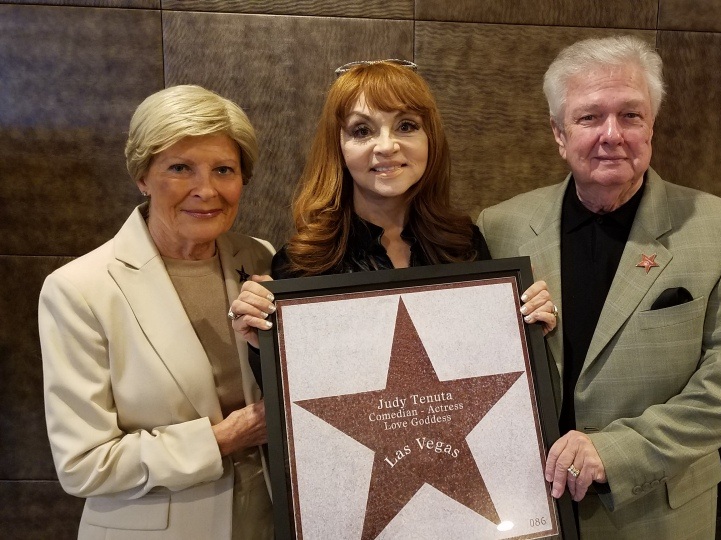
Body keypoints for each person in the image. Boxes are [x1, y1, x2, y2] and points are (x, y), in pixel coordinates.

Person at [477, 36, 721, 538]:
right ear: (558, 132)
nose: (611, 134)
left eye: (630, 115)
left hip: (654, 513)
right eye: (589, 117)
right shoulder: (498, 226)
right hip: (523, 507)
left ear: (651, 126)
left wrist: (614, 452)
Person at [38, 85, 274, 539]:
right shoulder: (79, 289)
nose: (205, 190)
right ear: (142, 176)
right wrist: (226, 436)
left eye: (223, 169)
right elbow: (83, 466)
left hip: (270, 521)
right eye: (180, 168)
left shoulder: (263, 259)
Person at [229, 60, 556, 357]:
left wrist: (527, 326)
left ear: (431, 140)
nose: (386, 146)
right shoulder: (303, 263)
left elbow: (488, 364)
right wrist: (263, 343)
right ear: (338, 148)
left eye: (406, 126)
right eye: (362, 130)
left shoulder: (463, 245)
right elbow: (295, 402)